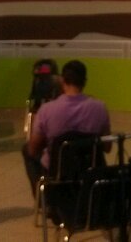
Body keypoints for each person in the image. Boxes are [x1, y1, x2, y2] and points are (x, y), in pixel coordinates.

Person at [22, 59, 111, 196]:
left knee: (26, 150)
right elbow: (107, 147)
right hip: (89, 172)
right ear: (84, 82)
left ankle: (43, 198)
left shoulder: (46, 110)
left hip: (57, 173)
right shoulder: (100, 108)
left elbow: (33, 150)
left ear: (62, 81)